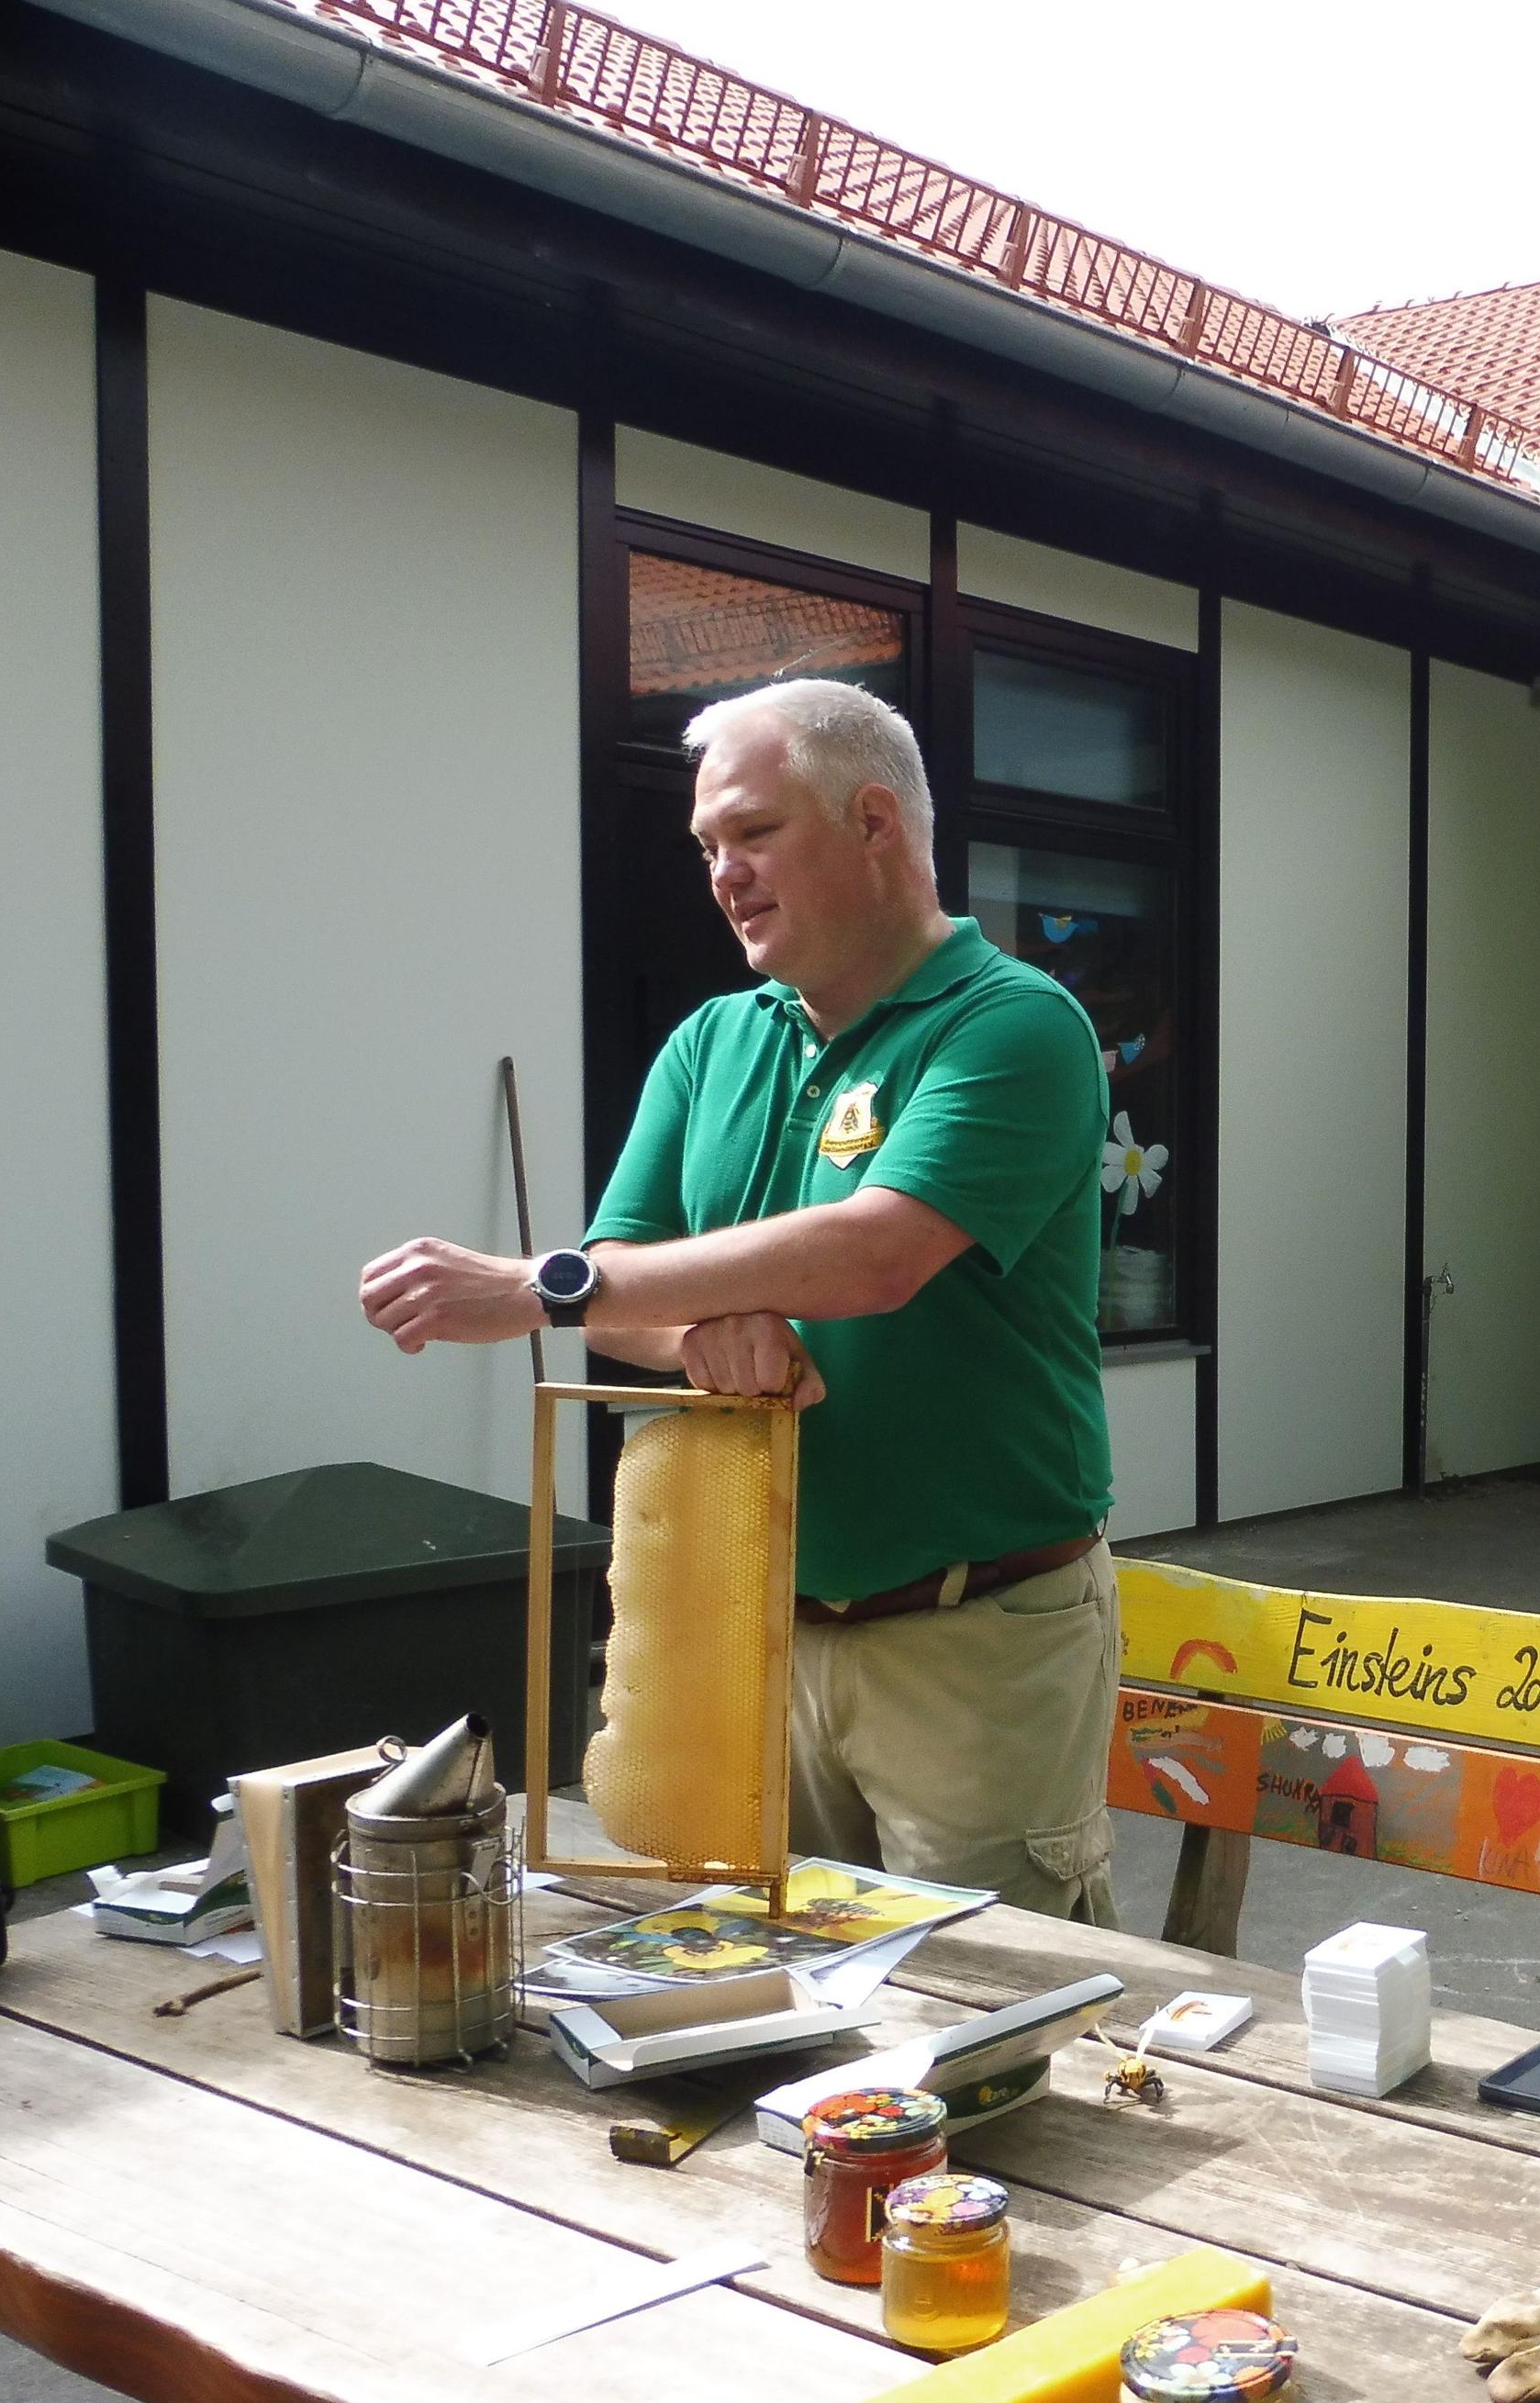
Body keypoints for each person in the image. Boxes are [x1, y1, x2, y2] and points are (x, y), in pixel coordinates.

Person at [360, 680, 1121, 1919]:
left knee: (991, 1997)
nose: (724, 875)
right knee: (770, 1965)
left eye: (755, 832)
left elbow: (876, 1253)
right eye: (708, 846)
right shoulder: (713, 1041)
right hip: (750, 1618)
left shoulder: (1016, 1025)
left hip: (976, 1636)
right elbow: (627, 1297)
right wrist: (708, 1336)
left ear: (873, 822)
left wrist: (539, 1284)